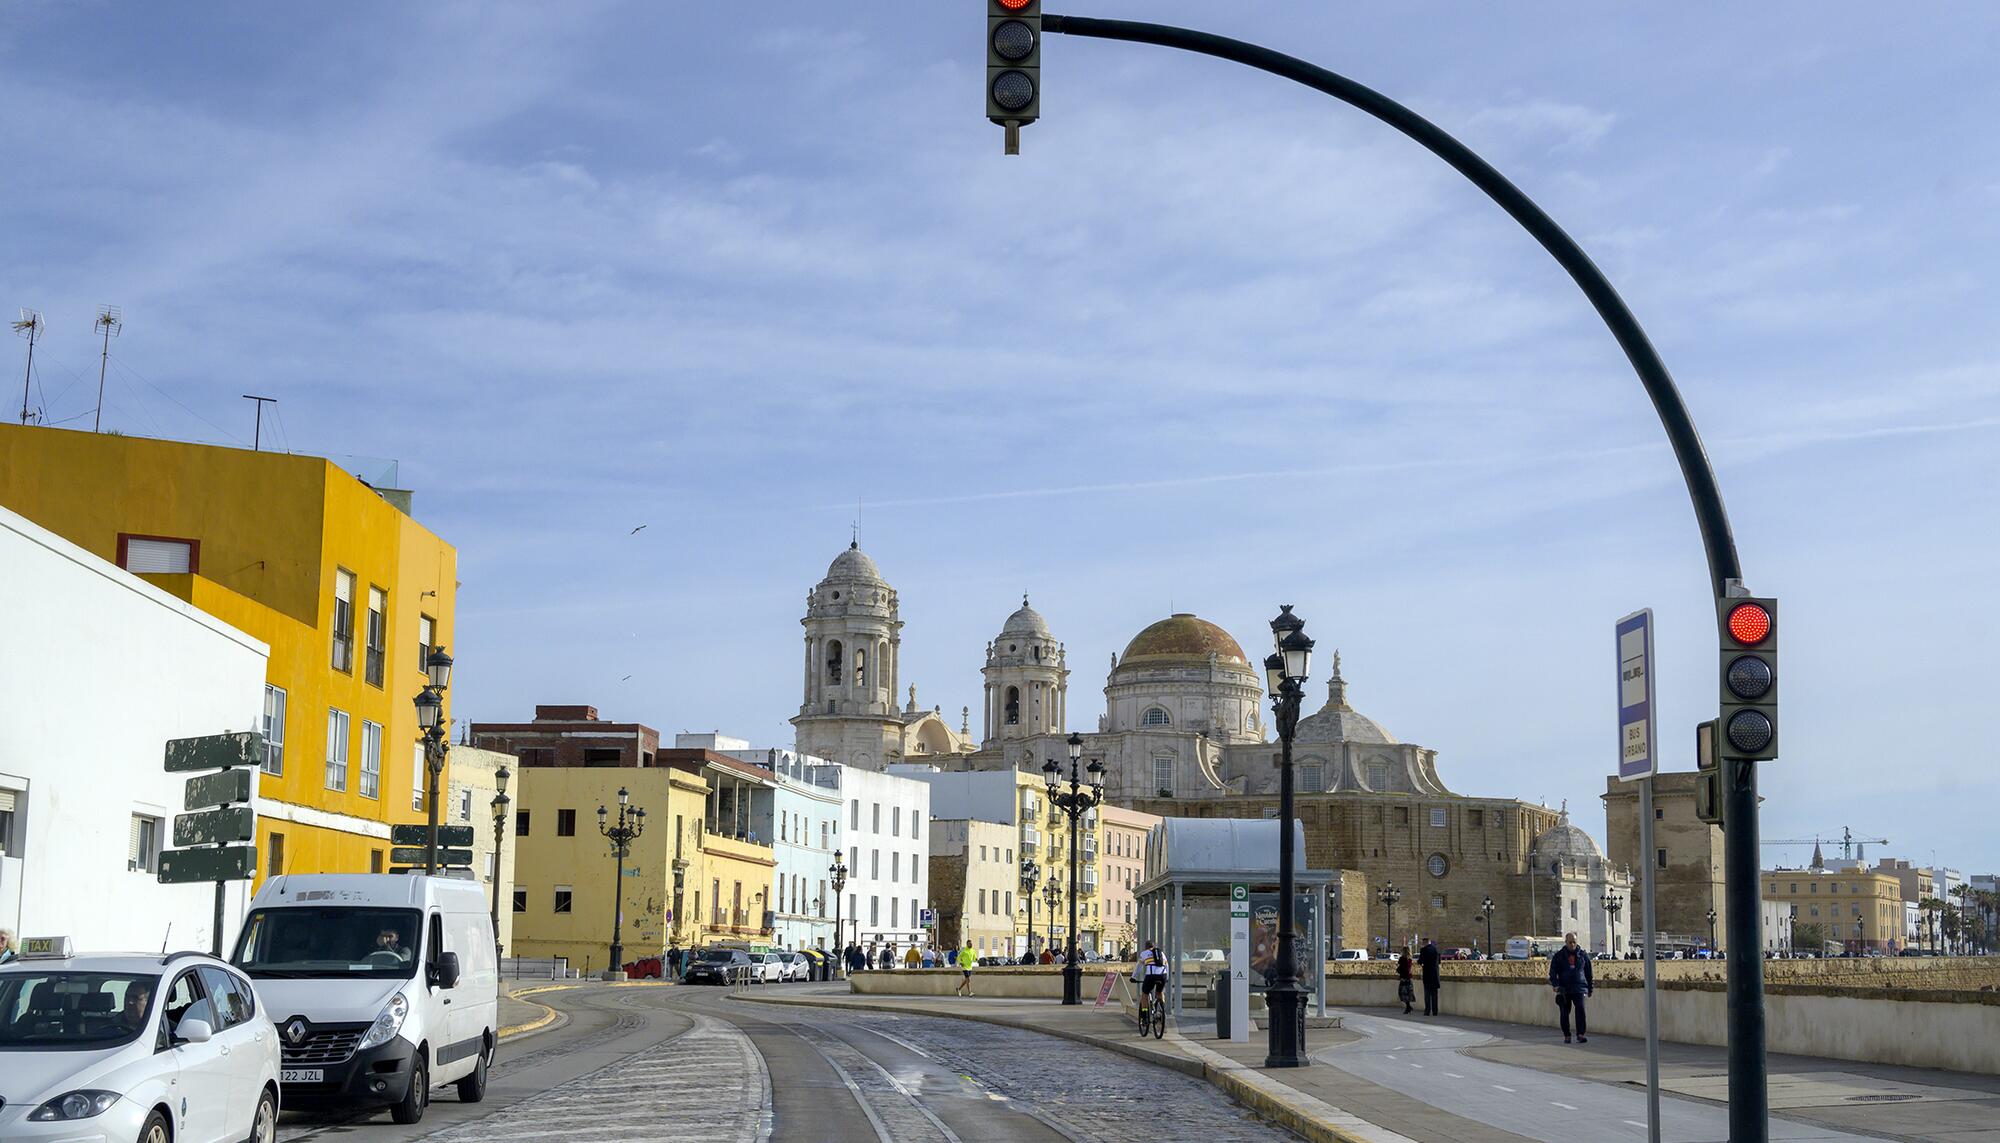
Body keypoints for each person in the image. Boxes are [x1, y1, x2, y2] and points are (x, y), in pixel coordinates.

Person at [1548, 931, 1594, 1044]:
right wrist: (1555, 985)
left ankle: (1580, 1034)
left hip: (1580, 987)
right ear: (1566, 942)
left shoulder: (1583, 955)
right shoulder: (1559, 956)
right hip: (1564, 988)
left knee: (1581, 1010)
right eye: (1570, 942)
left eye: (1574, 942)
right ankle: (1567, 1035)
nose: (1572, 945)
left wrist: (1590, 988)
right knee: (1564, 1012)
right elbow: (1552, 972)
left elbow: (1589, 972)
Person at [1136, 940, 1169, 1015]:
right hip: (1163, 976)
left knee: (1145, 994)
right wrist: (1167, 978)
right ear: (1154, 947)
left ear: (1146, 947)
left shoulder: (1144, 953)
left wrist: (1133, 977)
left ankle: (1144, 1014)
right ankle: (1162, 1010)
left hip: (1150, 976)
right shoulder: (1161, 953)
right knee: (1159, 992)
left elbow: (1138, 967)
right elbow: (1167, 966)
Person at [1417, 938, 1443, 1016]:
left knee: (1427, 994)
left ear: (1424, 942)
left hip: (1427, 974)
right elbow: (1439, 962)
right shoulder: (1436, 950)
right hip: (1435, 974)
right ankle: (1435, 1011)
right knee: (1434, 994)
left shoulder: (1423, 950)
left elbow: (1420, 961)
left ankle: (1427, 1010)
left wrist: (1421, 963)